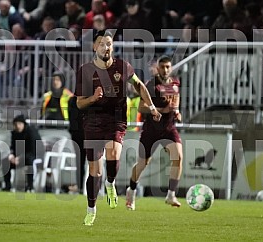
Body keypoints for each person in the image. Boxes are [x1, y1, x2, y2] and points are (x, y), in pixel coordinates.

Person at [74, 29, 162, 226]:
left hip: (116, 119)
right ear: (95, 47)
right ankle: (91, 209)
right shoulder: (85, 70)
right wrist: (93, 98)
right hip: (93, 121)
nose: (107, 47)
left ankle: (111, 183)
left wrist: (152, 107)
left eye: (110, 44)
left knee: (113, 154)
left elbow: (139, 85)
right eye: (103, 44)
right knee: (94, 169)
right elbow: (79, 103)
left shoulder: (123, 67)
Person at [125, 55, 183, 211]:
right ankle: (131, 190)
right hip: (151, 130)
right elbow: (142, 107)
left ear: (171, 68)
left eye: (168, 67)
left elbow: (175, 99)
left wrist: (177, 111)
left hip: (169, 128)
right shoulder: (152, 86)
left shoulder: (175, 83)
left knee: (178, 157)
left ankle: (171, 194)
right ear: (157, 68)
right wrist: (160, 110)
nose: (165, 70)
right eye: (162, 67)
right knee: (143, 163)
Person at [2, 115, 44, 192]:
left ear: (23, 124)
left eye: (19, 124)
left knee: (30, 161)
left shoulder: (32, 132)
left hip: (35, 156)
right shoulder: (15, 134)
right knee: (5, 161)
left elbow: (34, 150)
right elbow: (13, 147)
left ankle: (30, 186)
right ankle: (7, 186)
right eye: (15, 124)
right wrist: (11, 156)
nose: (17, 126)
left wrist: (20, 158)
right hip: (20, 158)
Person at [68, 96, 86, 194]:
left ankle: (83, 187)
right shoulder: (72, 100)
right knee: (81, 162)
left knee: (84, 162)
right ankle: (80, 187)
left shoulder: (72, 100)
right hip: (79, 135)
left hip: (83, 135)